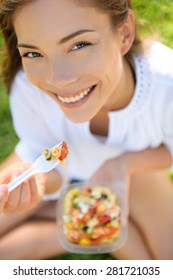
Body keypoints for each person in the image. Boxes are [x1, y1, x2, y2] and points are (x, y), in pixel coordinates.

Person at [0, 0, 173, 260]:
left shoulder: (166, 85)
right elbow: (44, 157)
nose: (57, 79)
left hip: (139, 177)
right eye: (34, 53)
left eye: (79, 45)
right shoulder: (28, 88)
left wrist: (123, 166)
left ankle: (89, 226)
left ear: (124, 34)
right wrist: (40, 180)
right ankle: (79, 227)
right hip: (57, 169)